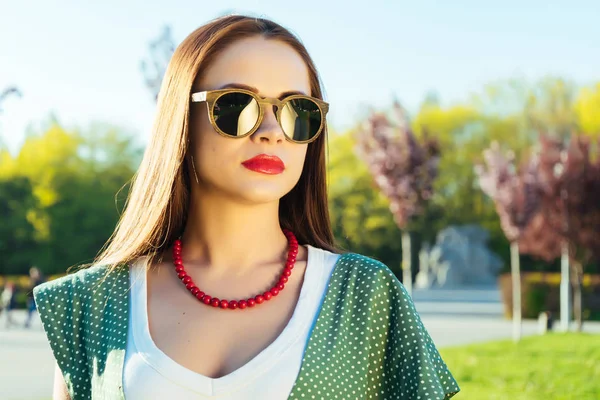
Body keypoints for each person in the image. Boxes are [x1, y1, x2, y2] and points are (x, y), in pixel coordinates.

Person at [34, 15, 460, 399]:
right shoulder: (89, 302)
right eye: (237, 105)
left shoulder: (365, 295)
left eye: (299, 111)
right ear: (181, 119)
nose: (273, 131)